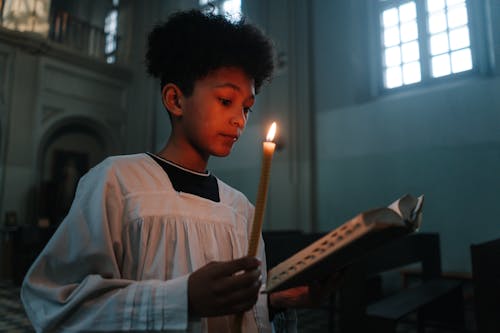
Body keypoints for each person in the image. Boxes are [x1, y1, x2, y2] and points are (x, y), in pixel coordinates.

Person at [21, 9, 337, 333]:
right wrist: (182, 299)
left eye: (246, 108)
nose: (240, 120)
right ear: (175, 99)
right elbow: (56, 304)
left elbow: (241, 318)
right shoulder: (118, 183)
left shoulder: (240, 209)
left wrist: (272, 302)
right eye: (226, 100)